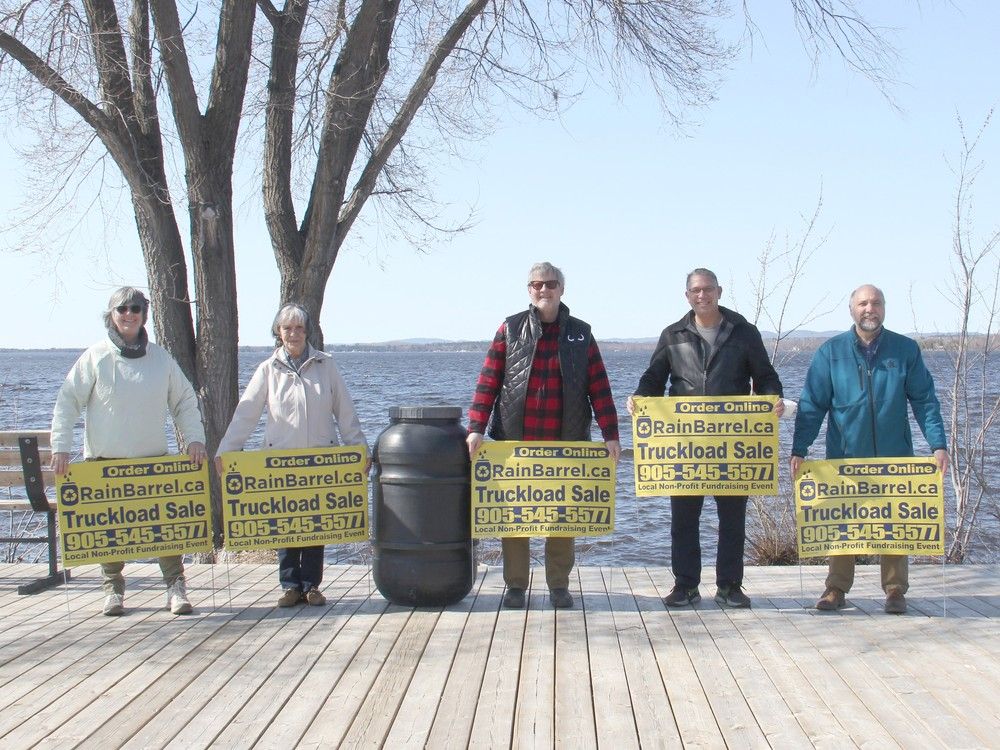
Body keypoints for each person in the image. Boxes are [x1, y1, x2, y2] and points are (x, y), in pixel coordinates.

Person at [467, 262, 621, 610]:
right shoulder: (509, 328)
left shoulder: (582, 333)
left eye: (550, 284)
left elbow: (600, 387)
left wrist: (611, 433)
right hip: (514, 439)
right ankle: (516, 585)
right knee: (514, 515)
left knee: (562, 516)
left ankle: (558, 585)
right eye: (536, 285)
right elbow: (489, 381)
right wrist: (475, 427)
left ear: (561, 289)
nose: (543, 290)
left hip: (565, 440)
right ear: (529, 290)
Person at [628, 268, 784, 609]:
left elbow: (766, 376)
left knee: (732, 519)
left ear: (719, 291)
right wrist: (640, 397)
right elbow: (654, 378)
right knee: (684, 518)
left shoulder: (744, 332)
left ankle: (730, 585)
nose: (703, 295)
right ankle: (685, 585)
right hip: (684, 445)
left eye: (708, 289)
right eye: (696, 290)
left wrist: (773, 401)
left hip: (733, 445)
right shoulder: (673, 335)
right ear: (687, 296)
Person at [790, 284, 948, 614]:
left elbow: (924, 400)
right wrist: (800, 448)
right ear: (852, 310)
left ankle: (894, 590)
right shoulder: (830, 352)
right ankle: (836, 588)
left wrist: (938, 445)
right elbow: (812, 404)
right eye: (862, 303)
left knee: (894, 521)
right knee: (843, 520)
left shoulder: (905, 350)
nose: (869, 308)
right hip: (845, 457)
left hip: (894, 455)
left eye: (875, 302)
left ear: (884, 309)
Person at [51, 287, 208, 616]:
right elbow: (68, 402)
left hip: (152, 464)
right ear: (112, 314)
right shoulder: (95, 357)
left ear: (144, 314)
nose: (129, 313)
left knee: (166, 530)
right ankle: (113, 589)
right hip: (105, 463)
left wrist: (195, 439)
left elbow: (184, 402)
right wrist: (61, 447)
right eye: (122, 308)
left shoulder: (161, 359)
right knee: (111, 532)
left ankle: (175, 587)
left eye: (136, 308)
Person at [216, 303, 369, 608]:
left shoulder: (327, 365)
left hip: (320, 460)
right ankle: (289, 586)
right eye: (288, 328)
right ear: (278, 332)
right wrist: (226, 451)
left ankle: (312, 585)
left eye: (299, 328)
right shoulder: (267, 369)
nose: (294, 334)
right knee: (285, 523)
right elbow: (246, 413)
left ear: (307, 332)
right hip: (280, 463)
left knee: (315, 523)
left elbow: (345, 412)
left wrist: (359, 449)